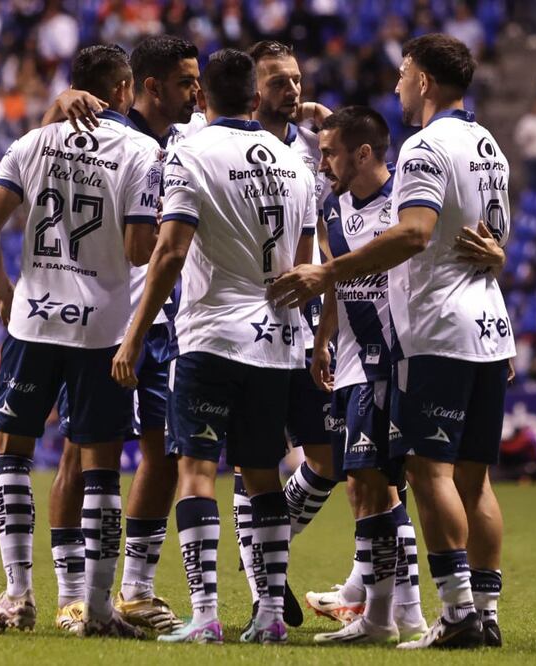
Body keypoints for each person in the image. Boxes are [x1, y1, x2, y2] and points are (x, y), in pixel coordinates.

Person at [267, 34, 513, 649]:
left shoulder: (425, 146)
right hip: (490, 328)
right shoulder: (489, 146)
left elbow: (414, 234)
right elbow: (490, 240)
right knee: (475, 480)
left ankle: (455, 613)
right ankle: (484, 614)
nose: (398, 84)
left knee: (427, 473)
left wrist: (327, 272)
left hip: (437, 331)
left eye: (404, 73)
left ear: (424, 81)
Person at [111, 48, 317, 645]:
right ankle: (270, 616)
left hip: (211, 338)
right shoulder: (296, 164)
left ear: (204, 98)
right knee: (263, 476)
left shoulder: (191, 154)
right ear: (255, 98)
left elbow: (170, 251)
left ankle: (205, 615)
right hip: (276, 342)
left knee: (197, 470)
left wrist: (134, 335)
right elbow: (304, 267)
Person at [0, 45, 161, 639]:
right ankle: (98, 609)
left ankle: (17, 596)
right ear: (124, 90)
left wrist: (6, 290)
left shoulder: (30, 143)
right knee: (101, 467)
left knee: (13, 455)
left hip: (33, 320)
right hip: (102, 329)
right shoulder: (140, 151)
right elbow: (137, 251)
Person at [40, 35, 201, 634]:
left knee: (164, 452)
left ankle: (135, 589)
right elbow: (42, 148)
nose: (196, 93)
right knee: (80, 454)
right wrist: (59, 102)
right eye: (185, 82)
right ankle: (72, 596)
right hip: (103, 323)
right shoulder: (101, 134)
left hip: (161, 324)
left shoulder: (192, 135)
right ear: (148, 87)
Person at [300, 106, 428, 644]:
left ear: (364, 153)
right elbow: (336, 279)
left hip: (391, 362)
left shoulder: (406, 199)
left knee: (372, 485)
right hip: (351, 361)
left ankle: (385, 617)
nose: (323, 163)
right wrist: (323, 339)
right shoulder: (332, 207)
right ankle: (403, 614)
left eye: (330, 153)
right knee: (370, 488)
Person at [231, 39, 335, 631]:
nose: (292, 89)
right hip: (247, 320)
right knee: (255, 458)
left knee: (327, 458)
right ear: (252, 89)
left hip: (306, 317)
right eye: (278, 80)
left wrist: (324, 120)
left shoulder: (314, 147)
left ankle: (260, 551)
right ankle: (262, 584)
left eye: (296, 78)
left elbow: (363, 174)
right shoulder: (219, 138)